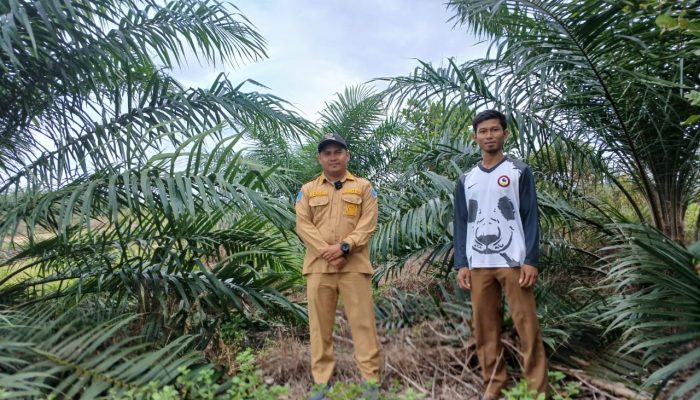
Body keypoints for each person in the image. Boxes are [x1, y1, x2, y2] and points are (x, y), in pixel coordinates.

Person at [453, 110, 548, 399]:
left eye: (495, 130)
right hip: (478, 265)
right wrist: (461, 263)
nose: (489, 135)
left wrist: (531, 259)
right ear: (475, 137)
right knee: (485, 330)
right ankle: (494, 386)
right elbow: (461, 222)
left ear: (505, 134)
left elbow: (530, 216)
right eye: (483, 131)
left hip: (514, 263)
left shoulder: (519, 171)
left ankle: (537, 390)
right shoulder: (466, 179)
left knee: (527, 326)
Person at [295, 133, 381, 400]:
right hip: (319, 268)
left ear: (347, 155)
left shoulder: (364, 187)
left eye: (338, 151)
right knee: (320, 328)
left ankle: (371, 381)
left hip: (354, 267)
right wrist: (328, 252)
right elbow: (303, 226)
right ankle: (322, 382)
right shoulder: (308, 190)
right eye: (327, 153)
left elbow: (368, 223)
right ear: (319, 158)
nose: (333, 157)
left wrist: (345, 247)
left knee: (363, 324)